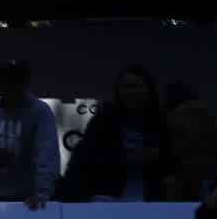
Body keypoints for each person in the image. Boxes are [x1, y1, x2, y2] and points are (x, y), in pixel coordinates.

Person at [60, 65, 171, 204]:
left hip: (150, 198)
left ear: (149, 90)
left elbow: (172, 160)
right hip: (107, 198)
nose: (131, 92)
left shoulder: (161, 121)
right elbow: (86, 158)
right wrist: (125, 157)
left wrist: (157, 156)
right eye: (125, 86)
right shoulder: (104, 120)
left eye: (137, 86)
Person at [0, 58, 61, 209]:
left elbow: (46, 156)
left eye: (17, 80)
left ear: (26, 82)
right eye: (6, 79)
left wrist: (41, 194)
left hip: (26, 200)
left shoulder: (40, 112)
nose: (11, 85)